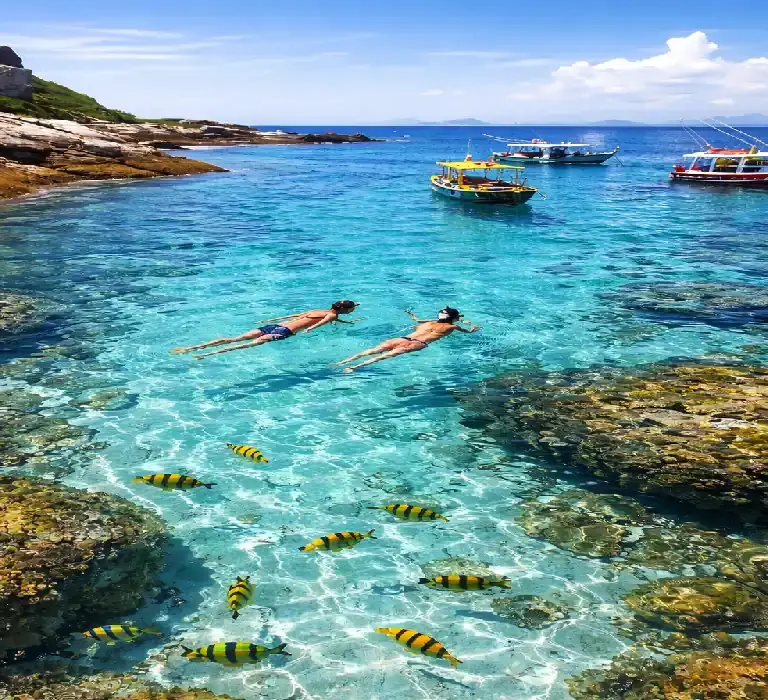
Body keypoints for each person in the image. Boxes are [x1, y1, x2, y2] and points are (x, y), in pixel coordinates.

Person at [172, 300, 359, 359]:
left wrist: (272, 319)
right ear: (344, 310)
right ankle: (206, 355)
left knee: (235, 339)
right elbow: (324, 321)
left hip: (274, 326)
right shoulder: (332, 316)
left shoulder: (316, 310)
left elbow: (296, 316)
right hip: (283, 332)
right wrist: (311, 330)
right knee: (246, 346)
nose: (352, 311)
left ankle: (190, 349)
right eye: (351, 309)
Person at [335, 307, 480, 372]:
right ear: (454, 319)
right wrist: (472, 327)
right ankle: (354, 368)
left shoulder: (427, 322)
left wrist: (411, 314)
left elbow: (417, 319)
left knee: (372, 351)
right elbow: (467, 332)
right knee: (383, 357)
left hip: (403, 338)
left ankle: (343, 362)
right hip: (418, 344)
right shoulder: (453, 327)